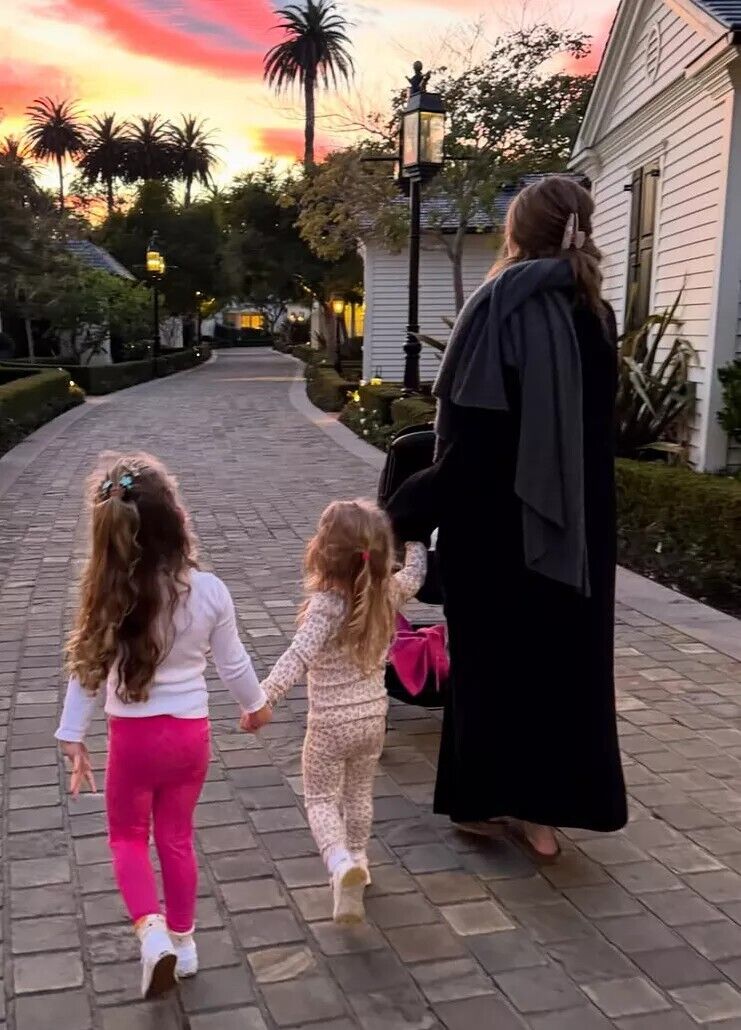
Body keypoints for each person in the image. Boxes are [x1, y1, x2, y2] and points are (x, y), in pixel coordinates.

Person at [388, 175, 628, 860]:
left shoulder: (496, 306)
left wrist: (398, 513)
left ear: (515, 234)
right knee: (560, 668)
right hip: (576, 529)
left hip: (497, 529)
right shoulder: (597, 314)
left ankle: (495, 807)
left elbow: (473, 452)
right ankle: (530, 813)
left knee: (490, 667)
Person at [54, 452, 271, 999]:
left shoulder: (109, 596)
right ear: (175, 521)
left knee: (128, 837)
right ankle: (187, 942)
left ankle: (151, 934)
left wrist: (72, 734)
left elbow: (86, 671)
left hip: (134, 741)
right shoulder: (210, 590)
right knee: (176, 837)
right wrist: (256, 704)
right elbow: (234, 663)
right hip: (190, 738)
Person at [242, 499, 427, 922]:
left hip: (329, 726)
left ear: (322, 551)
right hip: (372, 720)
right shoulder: (389, 592)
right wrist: (416, 531)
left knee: (322, 799)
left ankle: (339, 862)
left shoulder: (326, 605)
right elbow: (415, 574)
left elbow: (297, 655)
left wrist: (263, 699)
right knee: (359, 793)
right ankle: (359, 860)